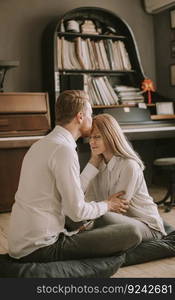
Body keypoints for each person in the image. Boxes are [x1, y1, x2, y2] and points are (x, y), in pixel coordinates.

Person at [8, 90, 141, 263]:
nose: (92, 120)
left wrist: (93, 163)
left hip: (19, 243)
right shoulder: (64, 150)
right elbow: (76, 212)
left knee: (92, 222)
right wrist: (108, 205)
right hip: (41, 247)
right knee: (131, 232)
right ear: (80, 116)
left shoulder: (41, 144)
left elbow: (71, 192)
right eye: (91, 114)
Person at [83, 113, 166, 242]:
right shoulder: (97, 165)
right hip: (115, 221)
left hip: (146, 225)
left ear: (110, 137)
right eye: (91, 137)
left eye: (97, 137)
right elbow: (87, 200)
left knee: (103, 219)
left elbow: (119, 208)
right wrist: (104, 204)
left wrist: (100, 207)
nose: (92, 142)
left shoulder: (129, 165)